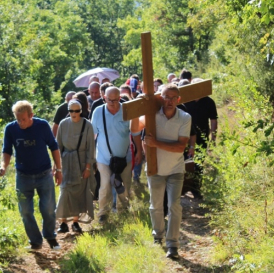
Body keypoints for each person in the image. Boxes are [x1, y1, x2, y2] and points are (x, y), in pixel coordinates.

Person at [131, 84, 191, 259]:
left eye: (173, 98)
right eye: (166, 97)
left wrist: (155, 143)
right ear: (160, 97)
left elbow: (180, 147)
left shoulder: (185, 117)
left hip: (176, 169)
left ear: (178, 100)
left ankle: (172, 244)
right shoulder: (152, 115)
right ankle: (158, 235)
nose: (169, 101)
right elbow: (135, 129)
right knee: (156, 205)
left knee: (174, 206)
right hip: (155, 168)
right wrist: (136, 108)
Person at [0, 101, 62, 250]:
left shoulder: (42, 126)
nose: (20, 122)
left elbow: (54, 147)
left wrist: (59, 170)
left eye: (23, 119)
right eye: (17, 119)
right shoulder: (11, 129)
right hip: (23, 176)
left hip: (44, 174)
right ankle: (35, 241)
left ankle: (50, 237)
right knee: (25, 211)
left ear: (31, 115)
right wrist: (3, 166)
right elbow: (6, 151)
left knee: (48, 208)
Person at [91, 86, 141, 223]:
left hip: (125, 157)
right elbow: (92, 134)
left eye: (115, 100)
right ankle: (103, 213)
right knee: (105, 185)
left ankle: (123, 211)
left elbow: (135, 133)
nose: (112, 103)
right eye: (109, 100)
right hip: (103, 157)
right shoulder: (98, 112)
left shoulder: (127, 110)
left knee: (125, 185)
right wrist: (91, 157)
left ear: (120, 98)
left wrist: (139, 151)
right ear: (104, 98)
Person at [55, 100, 96, 233]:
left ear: (80, 111)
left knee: (78, 192)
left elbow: (91, 147)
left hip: (82, 161)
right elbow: (58, 146)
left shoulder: (87, 125)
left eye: (76, 111)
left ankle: (75, 222)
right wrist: (57, 167)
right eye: (71, 111)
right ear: (68, 111)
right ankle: (62, 222)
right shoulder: (63, 124)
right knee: (65, 191)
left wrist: (88, 167)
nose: (74, 113)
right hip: (66, 161)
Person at [178, 78, 218, 198]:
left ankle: (196, 189)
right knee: (183, 162)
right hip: (184, 137)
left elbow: (213, 120)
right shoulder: (185, 101)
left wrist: (213, 138)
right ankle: (181, 189)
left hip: (201, 137)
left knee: (199, 164)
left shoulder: (209, 102)